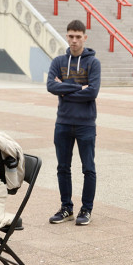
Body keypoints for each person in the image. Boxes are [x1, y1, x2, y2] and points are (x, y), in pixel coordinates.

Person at [47, 19, 101, 226]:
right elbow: (51, 86)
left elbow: (93, 92)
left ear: (85, 38)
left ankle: (86, 209)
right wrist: (79, 87)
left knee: (88, 168)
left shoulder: (93, 63)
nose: (74, 40)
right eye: (71, 36)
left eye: (78, 37)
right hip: (63, 123)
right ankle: (66, 208)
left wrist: (66, 88)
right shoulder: (58, 62)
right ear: (67, 36)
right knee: (63, 167)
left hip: (86, 123)